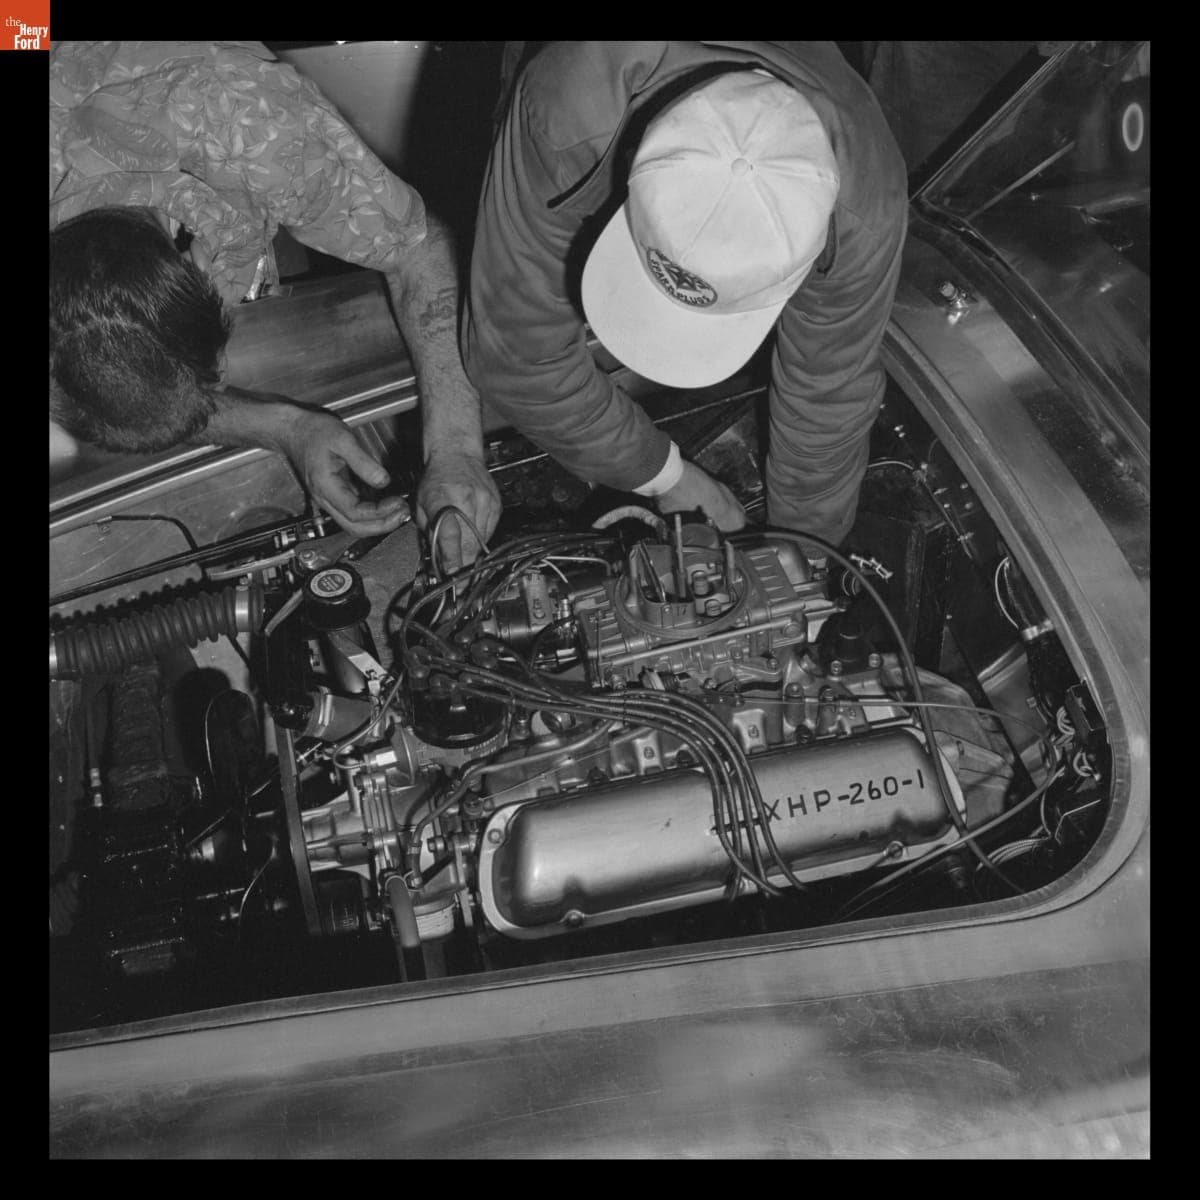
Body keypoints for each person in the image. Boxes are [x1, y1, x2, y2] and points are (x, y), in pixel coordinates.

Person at [50, 40, 500, 567]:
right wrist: (285, 427)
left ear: (199, 258)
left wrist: (456, 452)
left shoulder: (252, 129)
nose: (220, 380)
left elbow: (417, 252)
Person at [464, 42, 907, 554]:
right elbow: (515, 353)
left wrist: (801, 550)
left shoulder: (865, 209)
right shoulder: (566, 106)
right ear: (631, 162)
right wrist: (664, 475)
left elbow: (827, 393)